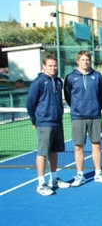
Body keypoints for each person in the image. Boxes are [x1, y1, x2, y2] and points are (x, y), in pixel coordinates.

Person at [26, 55, 71, 196]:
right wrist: (35, 120)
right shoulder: (38, 82)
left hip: (57, 121)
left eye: (55, 65)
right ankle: (41, 183)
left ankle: (54, 179)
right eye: (50, 66)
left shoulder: (58, 81)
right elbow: (30, 103)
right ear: (44, 67)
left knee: (54, 151)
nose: (53, 68)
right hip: (44, 122)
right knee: (42, 153)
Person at [64, 50, 102, 186]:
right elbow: (68, 96)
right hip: (78, 117)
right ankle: (80, 175)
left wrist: (96, 108)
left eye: (87, 60)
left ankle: (98, 173)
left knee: (97, 145)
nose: (85, 62)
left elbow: (101, 95)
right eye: (83, 60)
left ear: (90, 61)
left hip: (95, 116)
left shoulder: (97, 76)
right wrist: (77, 108)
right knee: (79, 147)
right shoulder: (71, 77)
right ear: (78, 61)